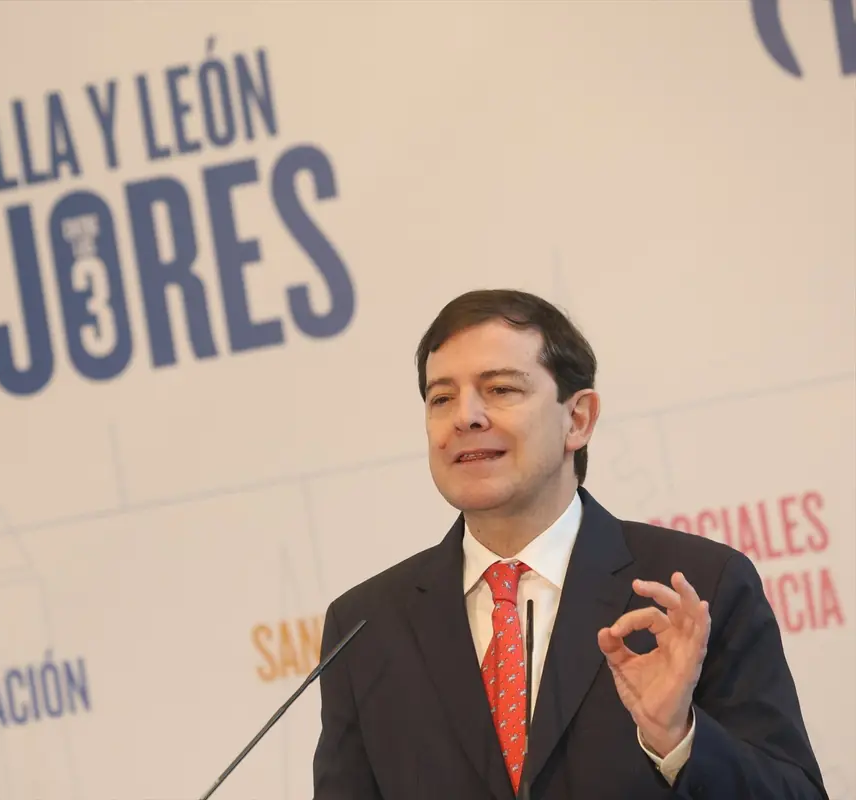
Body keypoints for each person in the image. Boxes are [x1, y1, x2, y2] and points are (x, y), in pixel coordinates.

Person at [311, 289, 828, 799]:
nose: (465, 417)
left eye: (500, 390)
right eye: (441, 398)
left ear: (577, 419)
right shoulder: (365, 629)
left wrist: (677, 740)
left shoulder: (696, 587)